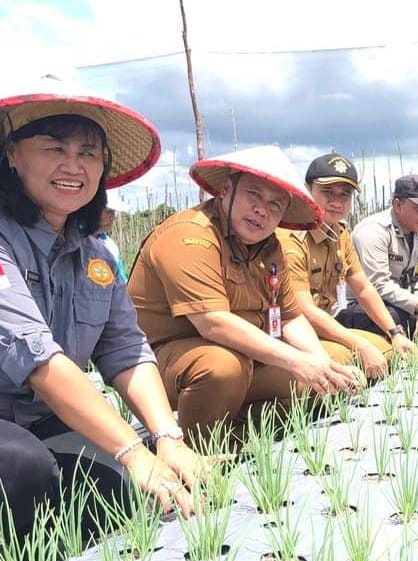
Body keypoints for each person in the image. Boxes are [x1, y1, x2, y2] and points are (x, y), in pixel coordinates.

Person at [0, 92, 203, 561]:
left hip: (30, 422)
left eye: (88, 153)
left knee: (123, 495)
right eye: (54, 148)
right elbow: (39, 360)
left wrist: (166, 436)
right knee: (10, 467)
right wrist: (134, 451)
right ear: (13, 155)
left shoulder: (95, 254)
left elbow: (126, 350)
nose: (72, 165)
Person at [127, 146, 362, 440]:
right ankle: (201, 446)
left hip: (245, 356)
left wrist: (320, 364)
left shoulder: (270, 246)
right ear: (226, 189)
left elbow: (289, 318)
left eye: (276, 205)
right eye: (254, 194)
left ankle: (241, 430)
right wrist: (297, 362)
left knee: (335, 358)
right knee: (222, 367)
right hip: (166, 363)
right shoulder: (190, 236)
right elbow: (213, 323)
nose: (262, 210)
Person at [277, 154, 417, 379]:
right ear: (307, 190)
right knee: (349, 359)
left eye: (345, 194)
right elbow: (302, 309)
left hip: (324, 327)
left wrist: (395, 333)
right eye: (327, 192)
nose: (337, 202)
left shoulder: (339, 234)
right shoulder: (289, 238)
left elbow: (363, 289)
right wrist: (358, 344)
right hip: (290, 334)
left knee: (388, 350)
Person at [343, 174, 418, 338]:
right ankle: (404, 336)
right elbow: (378, 286)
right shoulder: (373, 232)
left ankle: (411, 333)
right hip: (363, 303)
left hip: (402, 299)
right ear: (398, 205)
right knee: (395, 317)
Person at [95, 195, 130, 282]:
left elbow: (121, 280)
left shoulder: (110, 245)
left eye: (114, 212)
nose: (113, 217)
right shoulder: (73, 244)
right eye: (108, 211)